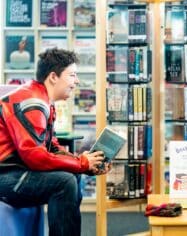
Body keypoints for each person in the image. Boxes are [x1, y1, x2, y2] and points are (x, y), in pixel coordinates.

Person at [0, 48, 110, 236]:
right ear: (53, 77)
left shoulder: (41, 99)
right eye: (72, 75)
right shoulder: (32, 102)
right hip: (6, 176)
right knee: (64, 182)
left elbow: (52, 147)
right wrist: (81, 163)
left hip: (17, 170)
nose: (76, 81)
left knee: (72, 176)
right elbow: (35, 156)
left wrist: (83, 164)